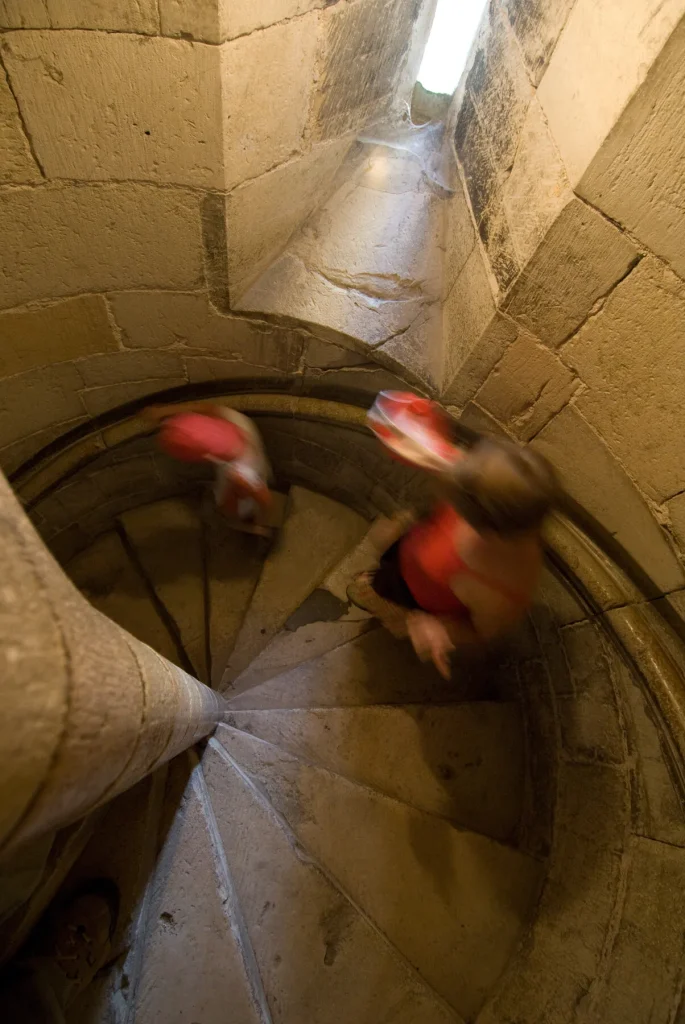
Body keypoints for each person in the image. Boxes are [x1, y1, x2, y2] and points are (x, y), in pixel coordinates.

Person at [348, 438, 559, 679]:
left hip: (411, 599)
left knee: (376, 593)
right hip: (406, 560)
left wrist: (438, 630)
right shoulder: (492, 486)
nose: (459, 459)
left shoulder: (499, 590)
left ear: (482, 521)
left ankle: (375, 596)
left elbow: (480, 633)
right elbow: (453, 471)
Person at [143, 402, 274, 534]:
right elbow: (206, 408)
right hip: (242, 454)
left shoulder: (240, 474)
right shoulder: (234, 420)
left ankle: (241, 524)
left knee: (228, 505)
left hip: (246, 473)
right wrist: (163, 412)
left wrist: (260, 525)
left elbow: (264, 499)